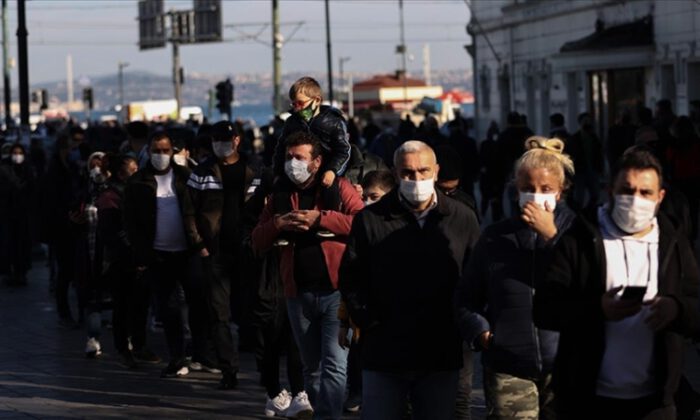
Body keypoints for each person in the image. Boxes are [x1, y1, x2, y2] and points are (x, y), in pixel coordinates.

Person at [534, 147, 700, 419]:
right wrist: (597, 309)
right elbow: (545, 309)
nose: (635, 200)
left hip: (655, 403)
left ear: (660, 197)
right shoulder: (582, 237)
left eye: (645, 193)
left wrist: (676, 309)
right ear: (610, 191)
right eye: (627, 190)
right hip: (589, 400)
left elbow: (696, 306)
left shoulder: (674, 241)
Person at [339, 140, 480, 420]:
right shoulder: (370, 220)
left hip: (441, 354)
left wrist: (462, 323)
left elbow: (476, 278)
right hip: (385, 354)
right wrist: (370, 320)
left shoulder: (461, 218)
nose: (416, 179)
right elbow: (352, 277)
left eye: (423, 171)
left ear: (436, 172)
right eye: (407, 173)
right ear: (395, 173)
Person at [457, 137, 576, 419]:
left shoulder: (577, 234)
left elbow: (590, 284)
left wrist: (552, 237)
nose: (536, 196)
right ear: (515, 190)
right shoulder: (494, 237)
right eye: (527, 189)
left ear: (560, 192)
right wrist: (482, 333)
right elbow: (466, 297)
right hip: (508, 365)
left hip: (567, 365)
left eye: (545, 189)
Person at [252, 131, 363, 420]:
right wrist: (277, 223)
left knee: (335, 364)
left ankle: (328, 416)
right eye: (289, 157)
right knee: (310, 367)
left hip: (336, 291)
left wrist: (320, 218)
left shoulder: (339, 188)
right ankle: (322, 410)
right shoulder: (278, 194)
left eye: (299, 158)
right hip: (297, 293)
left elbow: (362, 223)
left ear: (316, 161)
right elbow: (257, 239)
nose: (292, 164)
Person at [184, 121, 265, 389]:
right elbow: (189, 212)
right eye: (216, 139)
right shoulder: (202, 172)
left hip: (248, 250)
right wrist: (200, 245)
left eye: (226, 138)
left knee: (254, 308)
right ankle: (228, 369)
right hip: (215, 252)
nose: (221, 143)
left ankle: (264, 365)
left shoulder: (255, 169)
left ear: (237, 140)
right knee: (219, 313)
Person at [124, 132, 193, 378]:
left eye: (165, 151)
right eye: (156, 151)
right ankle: (177, 356)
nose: (161, 156)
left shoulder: (185, 178)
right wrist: (140, 253)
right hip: (158, 255)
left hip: (187, 252)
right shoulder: (138, 182)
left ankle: (197, 352)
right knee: (168, 308)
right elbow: (130, 221)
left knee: (195, 305)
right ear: (148, 152)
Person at [96, 153, 158, 368]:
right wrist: (131, 249)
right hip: (121, 260)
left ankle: (140, 345)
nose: (135, 173)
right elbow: (111, 233)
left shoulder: (138, 191)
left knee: (141, 304)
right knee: (122, 306)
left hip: (141, 256)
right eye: (131, 170)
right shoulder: (109, 196)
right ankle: (123, 348)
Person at [274, 77, 351, 213]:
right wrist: (278, 171)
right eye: (293, 104)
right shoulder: (292, 122)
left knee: (331, 189)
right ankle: (282, 218)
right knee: (281, 186)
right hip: (300, 166)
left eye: (301, 103)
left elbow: (343, 150)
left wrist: (332, 170)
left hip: (325, 169)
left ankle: (329, 219)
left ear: (317, 100)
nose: (297, 108)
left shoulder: (334, 122)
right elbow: (281, 148)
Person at [568, 112, 604, 210]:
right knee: (579, 196)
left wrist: (600, 169)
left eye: (589, 121)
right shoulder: (575, 138)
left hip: (592, 170)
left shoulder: (594, 138)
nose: (587, 123)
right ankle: (579, 214)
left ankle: (588, 210)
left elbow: (599, 154)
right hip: (580, 171)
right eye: (585, 121)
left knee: (595, 194)